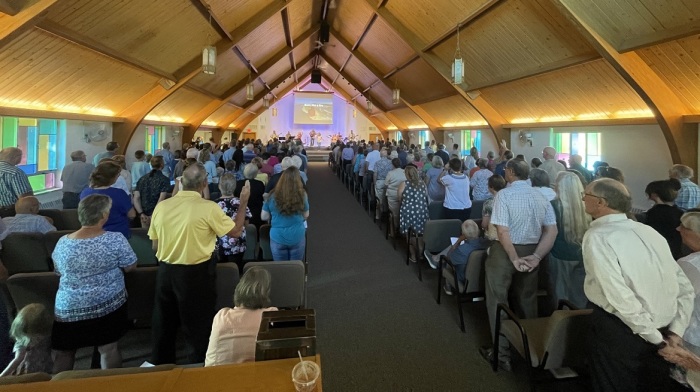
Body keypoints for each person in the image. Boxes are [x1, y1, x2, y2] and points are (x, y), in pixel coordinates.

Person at [582, 178, 694, 391]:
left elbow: (618, 294)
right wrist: (675, 332)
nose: (582, 199)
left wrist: (656, 339)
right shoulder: (648, 231)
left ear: (600, 202)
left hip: (622, 331)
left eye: (585, 194)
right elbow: (684, 287)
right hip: (664, 329)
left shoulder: (598, 236)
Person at [149, 164, 250, 365]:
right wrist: (244, 201)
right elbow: (237, 231)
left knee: (163, 326)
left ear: (181, 182)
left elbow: (154, 246)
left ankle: (160, 369)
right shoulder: (208, 208)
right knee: (197, 326)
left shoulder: (162, 207)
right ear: (204, 183)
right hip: (196, 274)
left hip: (166, 272)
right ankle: (198, 368)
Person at [480, 159, 557, 371]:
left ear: (511, 172)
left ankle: (501, 353)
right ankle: (532, 351)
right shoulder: (540, 195)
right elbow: (552, 231)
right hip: (533, 249)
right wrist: (537, 257)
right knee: (527, 299)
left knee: (498, 300)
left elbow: (502, 231)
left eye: (506, 170)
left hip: (505, 251)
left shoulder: (504, 194)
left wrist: (514, 258)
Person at [51, 194, 137, 372]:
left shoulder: (63, 242)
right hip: (107, 305)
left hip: (68, 307)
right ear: (104, 215)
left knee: (65, 352)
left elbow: (58, 271)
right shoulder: (114, 239)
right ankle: (110, 385)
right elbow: (130, 266)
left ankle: (59, 386)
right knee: (108, 348)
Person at [205, 268, 277, 366]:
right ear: (266, 293)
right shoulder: (271, 316)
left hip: (214, 377)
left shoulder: (221, 316)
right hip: (254, 377)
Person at [548, 171, 590, 310]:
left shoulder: (554, 206)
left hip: (560, 254)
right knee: (580, 292)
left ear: (561, 187)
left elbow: (549, 232)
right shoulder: (587, 207)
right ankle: (579, 321)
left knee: (561, 291)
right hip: (582, 253)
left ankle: (562, 323)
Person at [429, 220, 490, 295]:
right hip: (483, 279)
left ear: (463, 234)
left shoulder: (462, 250)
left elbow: (449, 257)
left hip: (463, 279)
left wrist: (457, 242)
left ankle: (448, 287)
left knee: (447, 263)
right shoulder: (487, 243)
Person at [261, 167, 309, 261]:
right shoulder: (302, 195)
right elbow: (306, 215)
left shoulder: (272, 195)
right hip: (297, 235)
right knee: (295, 269)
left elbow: (264, 216)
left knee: (281, 269)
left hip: (277, 236)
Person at [80, 161, 135, 239]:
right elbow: (132, 215)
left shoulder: (85, 192)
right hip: (117, 233)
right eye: (117, 175)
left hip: (92, 234)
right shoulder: (119, 193)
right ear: (112, 178)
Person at [0, 303, 53, 376]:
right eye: (24, 338)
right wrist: (2, 377)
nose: (28, 342)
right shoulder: (22, 342)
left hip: (46, 373)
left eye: (35, 338)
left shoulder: (49, 340)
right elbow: (17, 360)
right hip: (25, 374)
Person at [216, 173, 252, 272]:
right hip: (238, 244)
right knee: (237, 270)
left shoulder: (215, 205)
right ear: (235, 187)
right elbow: (246, 224)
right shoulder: (242, 202)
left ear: (219, 186)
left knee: (222, 271)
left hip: (221, 245)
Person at [643, 179, 685, 260]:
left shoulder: (654, 213)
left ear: (654, 195)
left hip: (659, 251)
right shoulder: (679, 211)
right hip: (676, 249)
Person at [133, 156, 170, 229]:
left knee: (145, 237)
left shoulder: (142, 179)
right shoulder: (164, 179)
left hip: (144, 214)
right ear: (162, 164)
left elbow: (136, 198)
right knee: (156, 237)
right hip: (157, 213)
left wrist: (141, 214)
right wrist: (153, 214)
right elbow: (161, 199)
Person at [0, 148, 33, 218]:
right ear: (16, 157)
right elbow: (25, 198)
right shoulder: (15, 172)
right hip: (11, 212)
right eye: (21, 156)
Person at [384, 158, 406, 233]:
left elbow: (386, 185)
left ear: (393, 165)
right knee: (401, 211)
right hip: (403, 194)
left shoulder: (391, 173)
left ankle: (394, 229)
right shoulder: (404, 172)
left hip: (392, 195)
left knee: (393, 213)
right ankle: (401, 228)